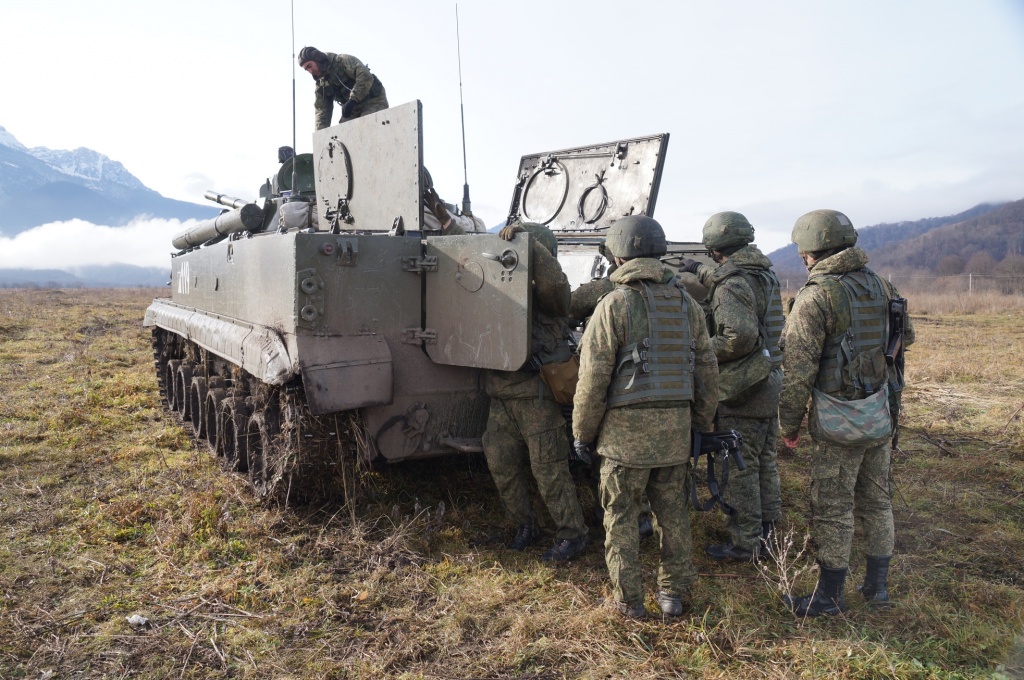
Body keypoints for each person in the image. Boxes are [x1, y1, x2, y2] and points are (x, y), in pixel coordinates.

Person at [572, 215, 718, 619]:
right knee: (673, 517)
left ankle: (629, 601)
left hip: (623, 441)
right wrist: (701, 426)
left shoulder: (614, 304)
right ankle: (672, 595)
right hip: (674, 436)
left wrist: (582, 435)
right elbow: (706, 370)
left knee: (619, 520)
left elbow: (592, 380)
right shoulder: (687, 304)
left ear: (618, 254)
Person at [778, 209, 915, 617]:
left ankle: (829, 597)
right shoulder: (883, 284)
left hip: (838, 420)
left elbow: (798, 370)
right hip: (880, 411)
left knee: (833, 506)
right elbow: (905, 338)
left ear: (809, 252)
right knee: (877, 500)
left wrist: (788, 425)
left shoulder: (816, 296)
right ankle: (878, 587)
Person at [679, 212, 783, 562]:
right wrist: (696, 269)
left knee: (740, 467)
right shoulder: (760, 272)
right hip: (768, 378)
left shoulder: (732, 284)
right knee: (763, 460)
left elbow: (737, 337)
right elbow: (728, 282)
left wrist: (696, 350)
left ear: (714, 246)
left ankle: (745, 542)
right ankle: (768, 531)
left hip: (743, 386)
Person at [482, 221, 589, 562]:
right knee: (502, 464)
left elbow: (557, 286)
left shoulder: (551, 295)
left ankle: (573, 534)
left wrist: (532, 247)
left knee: (549, 469)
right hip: (502, 393)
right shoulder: (500, 284)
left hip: (536, 395)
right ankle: (524, 525)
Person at [298, 46, 389, 129]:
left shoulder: (342, 61)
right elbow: (322, 110)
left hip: (373, 101)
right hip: (353, 110)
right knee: (344, 133)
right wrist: (320, 136)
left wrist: (353, 99)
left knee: (367, 126)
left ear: (317, 59)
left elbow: (365, 76)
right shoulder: (321, 85)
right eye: (306, 69)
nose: (310, 71)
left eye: (310, 66)